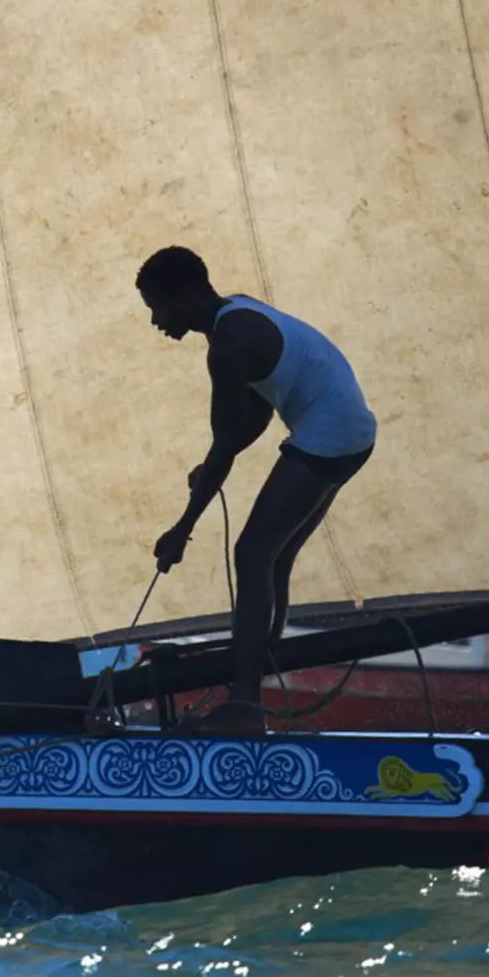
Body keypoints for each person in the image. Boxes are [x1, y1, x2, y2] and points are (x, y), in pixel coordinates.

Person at [136, 246, 376, 733]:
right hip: (352, 432)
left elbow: (225, 442)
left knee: (251, 553)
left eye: (158, 308)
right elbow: (262, 412)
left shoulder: (228, 345)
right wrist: (208, 468)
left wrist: (181, 529)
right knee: (274, 558)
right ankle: (255, 681)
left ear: (183, 296)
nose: (157, 322)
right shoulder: (237, 312)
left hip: (329, 432)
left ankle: (244, 702)